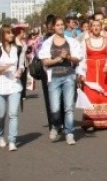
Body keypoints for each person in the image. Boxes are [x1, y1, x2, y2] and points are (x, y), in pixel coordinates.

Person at [38, 16, 84, 145]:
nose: (60, 27)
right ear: (53, 27)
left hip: (69, 76)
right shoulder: (48, 43)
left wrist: (68, 56)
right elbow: (45, 61)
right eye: (57, 25)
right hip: (54, 77)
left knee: (68, 107)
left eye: (62, 25)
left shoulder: (71, 41)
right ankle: (56, 125)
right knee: (55, 108)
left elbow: (78, 58)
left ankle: (69, 132)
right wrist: (59, 58)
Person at [79, 19, 107, 131]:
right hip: (91, 71)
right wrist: (82, 72)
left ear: (101, 27)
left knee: (106, 94)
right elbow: (82, 58)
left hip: (104, 71)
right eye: (93, 26)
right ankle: (91, 121)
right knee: (91, 95)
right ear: (90, 28)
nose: (96, 28)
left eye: (98, 26)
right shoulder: (85, 41)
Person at [0, 24, 26, 151]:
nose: (11, 35)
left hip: (15, 85)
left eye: (12, 33)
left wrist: (20, 71)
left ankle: (12, 140)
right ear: (3, 35)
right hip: (0, 86)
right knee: (1, 114)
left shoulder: (18, 49)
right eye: (8, 33)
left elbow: (21, 65)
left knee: (13, 114)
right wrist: (2, 69)